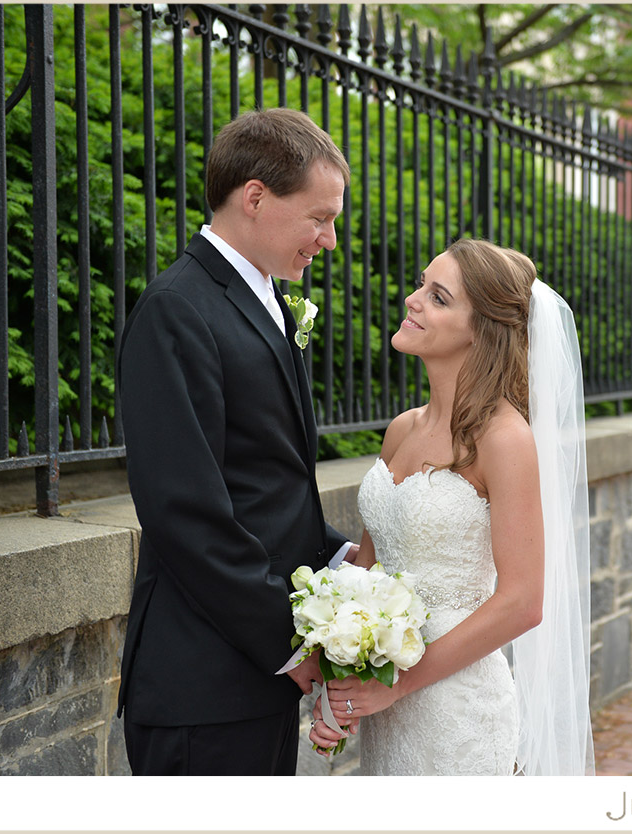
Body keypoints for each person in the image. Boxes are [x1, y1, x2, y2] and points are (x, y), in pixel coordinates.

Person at [116, 108, 359, 775]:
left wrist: (343, 565)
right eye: (319, 217)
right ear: (255, 197)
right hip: (204, 685)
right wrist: (290, 642)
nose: (328, 239)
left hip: (251, 683)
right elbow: (185, 511)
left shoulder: (266, 303)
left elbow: (265, 480)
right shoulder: (178, 308)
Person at [309, 238, 595, 775]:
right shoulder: (400, 430)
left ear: (481, 331)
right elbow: (367, 576)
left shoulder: (505, 440)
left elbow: (523, 602)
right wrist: (337, 684)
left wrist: (399, 686)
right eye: (422, 284)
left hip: (457, 711)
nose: (414, 300)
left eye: (438, 297)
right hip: (387, 709)